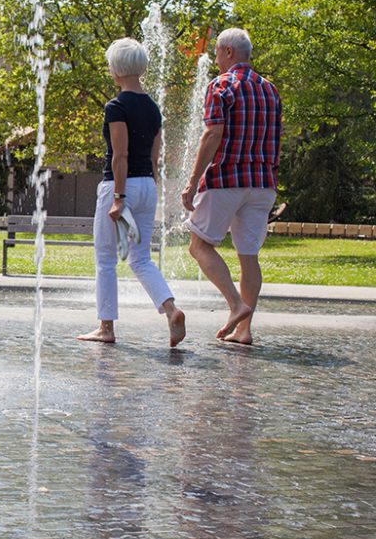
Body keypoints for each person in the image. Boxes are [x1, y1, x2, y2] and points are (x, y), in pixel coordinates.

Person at [78, 38, 186, 347]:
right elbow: (155, 156)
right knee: (141, 259)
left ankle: (106, 327)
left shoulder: (117, 106)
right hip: (147, 185)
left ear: (115, 69)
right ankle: (171, 309)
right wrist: (143, 189)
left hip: (119, 186)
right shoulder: (153, 107)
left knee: (105, 259)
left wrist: (118, 198)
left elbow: (119, 155)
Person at [181, 28, 282, 345]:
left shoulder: (221, 85)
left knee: (199, 246)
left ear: (227, 52)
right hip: (262, 183)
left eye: (216, 52)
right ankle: (244, 330)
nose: (215, 59)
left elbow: (212, 135)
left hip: (226, 179)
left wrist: (193, 181)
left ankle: (236, 305)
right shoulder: (270, 90)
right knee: (248, 256)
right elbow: (276, 142)